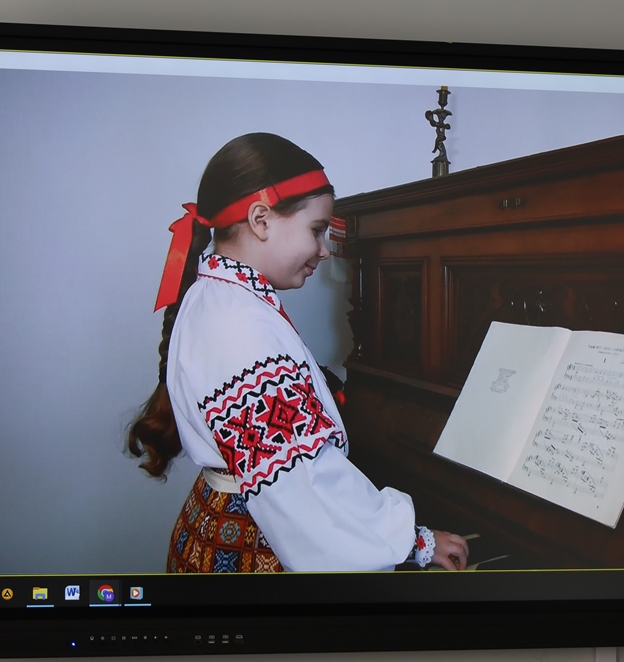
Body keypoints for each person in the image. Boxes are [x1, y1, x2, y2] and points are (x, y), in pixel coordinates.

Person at [127, 133, 469, 574]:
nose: (325, 251)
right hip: (252, 545)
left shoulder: (218, 297)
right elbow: (304, 487)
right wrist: (411, 539)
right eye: (317, 230)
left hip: (217, 524)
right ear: (261, 220)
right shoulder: (240, 326)